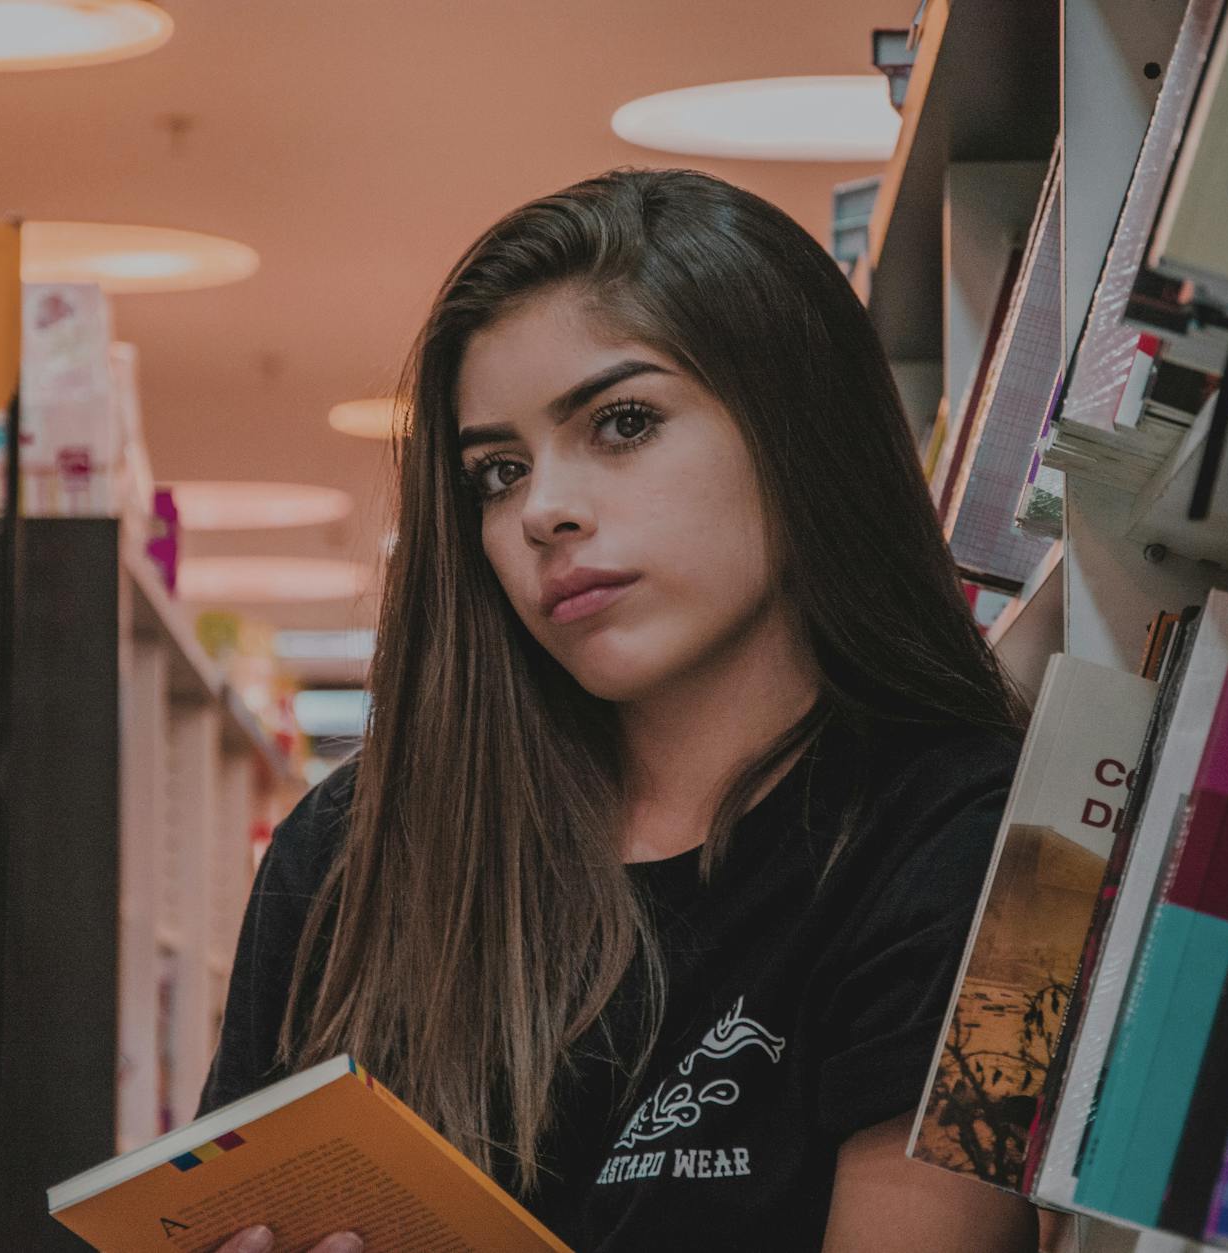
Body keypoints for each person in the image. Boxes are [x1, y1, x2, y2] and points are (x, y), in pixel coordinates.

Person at [203, 168, 1040, 1252]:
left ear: (796, 428)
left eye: (622, 421)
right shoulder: (354, 848)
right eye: (495, 471)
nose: (541, 510)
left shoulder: (977, 838)